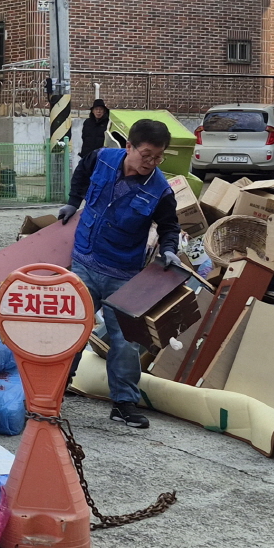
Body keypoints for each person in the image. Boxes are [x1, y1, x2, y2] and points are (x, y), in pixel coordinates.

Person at [57, 117, 183, 427]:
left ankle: (124, 403)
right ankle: (55, 391)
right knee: (72, 330)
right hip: (84, 261)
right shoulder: (102, 158)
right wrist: (74, 203)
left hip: (123, 274)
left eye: (158, 156)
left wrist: (169, 249)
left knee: (126, 341)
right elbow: (82, 173)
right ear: (129, 147)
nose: (151, 162)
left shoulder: (160, 190)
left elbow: (170, 226)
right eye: (146, 154)